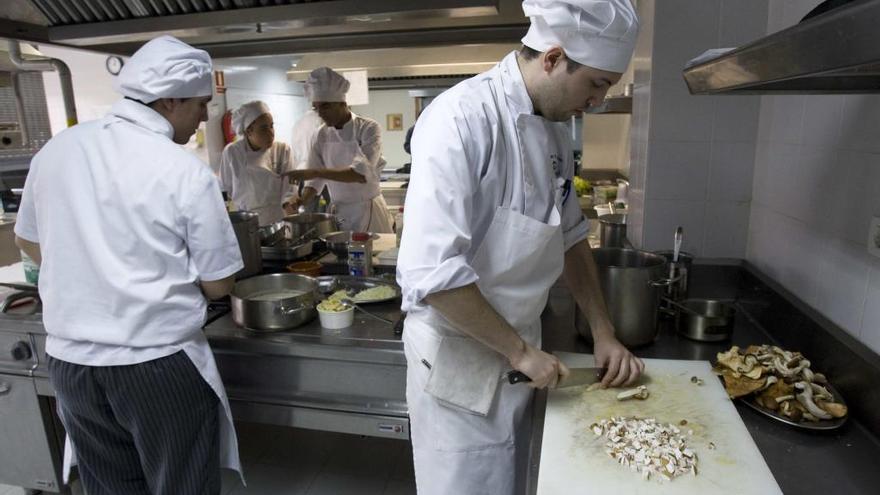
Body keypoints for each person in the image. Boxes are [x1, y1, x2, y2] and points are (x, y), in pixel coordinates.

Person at [395, 1, 643, 494]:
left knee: (515, 477)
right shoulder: (460, 120)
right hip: (461, 358)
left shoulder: (552, 128)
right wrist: (520, 351)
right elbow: (432, 274)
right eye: (595, 84)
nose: (595, 101)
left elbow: (570, 236)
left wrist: (603, 331)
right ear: (552, 58)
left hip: (523, 357)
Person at [14, 35, 244, 495]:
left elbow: (27, 238)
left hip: (72, 365)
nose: (205, 116)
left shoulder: (57, 150)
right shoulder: (183, 170)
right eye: (201, 104)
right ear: (171, 99)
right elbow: (220, 285)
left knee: (111, 488)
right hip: (155, 366)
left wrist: (91, 275)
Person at [285, 67, 393, 232]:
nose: (320, 113)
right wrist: (302, 200)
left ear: (343, 103)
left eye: (326, 106)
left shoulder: (368, 128)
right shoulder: (320, 134)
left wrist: (315, 172)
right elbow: (315, 182)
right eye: (316, 108)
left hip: (367, 211)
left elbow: (360, 174)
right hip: (338, 212)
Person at [219, 100, 296, 225]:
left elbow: (290, 189)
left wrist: (290, 204)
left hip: (279, 221)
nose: (271, 133)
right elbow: (223, 190)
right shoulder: (233, 152)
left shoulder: (282, 150)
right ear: (249, 131)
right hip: (247, 223)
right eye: (264, 128)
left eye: (272, 126)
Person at [288, 108, 325, 211]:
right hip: (321, 172)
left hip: (303, 172)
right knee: (328, 212)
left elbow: (295, 153)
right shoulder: (322, 120)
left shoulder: (298, 123)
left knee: (308, 210)